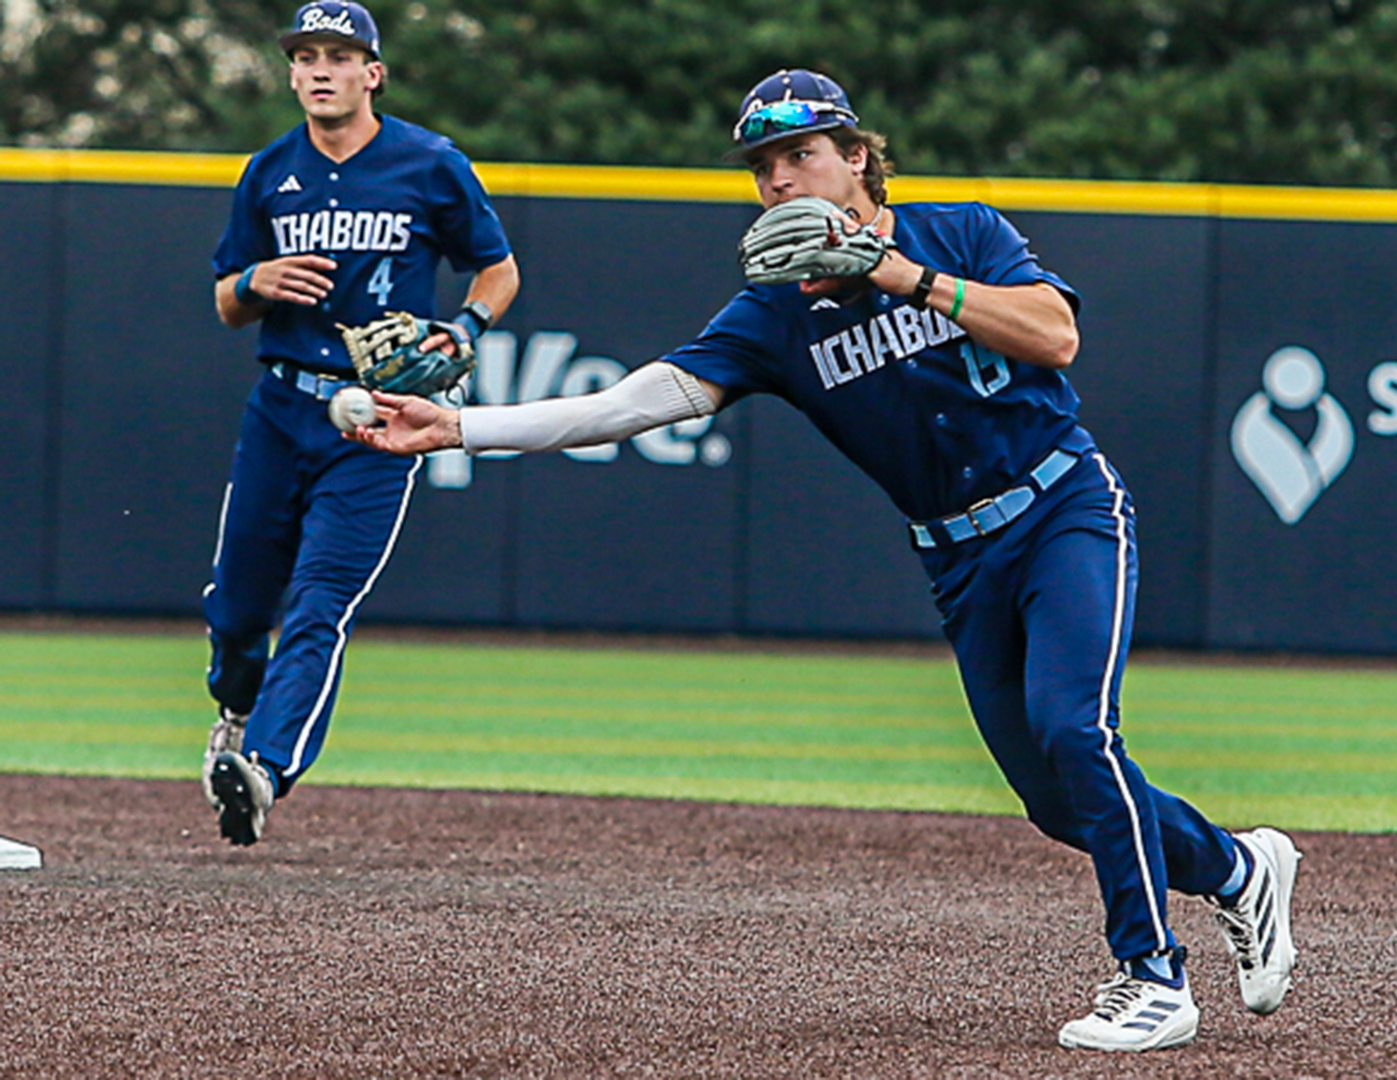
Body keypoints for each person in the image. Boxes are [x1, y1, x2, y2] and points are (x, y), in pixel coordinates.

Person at [348, 68, 1295, 1052]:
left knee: (1074, 727)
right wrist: (458, 426)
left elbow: (1056, 337)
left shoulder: (957, 230)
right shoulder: (772, 318)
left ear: (856, 156)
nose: (780, 179)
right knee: (1057, 800)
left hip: (1062, 508)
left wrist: (899, 274)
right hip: (959, 562)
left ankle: (1151, 977)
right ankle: (1237, 870)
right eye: (763, 166)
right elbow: (621, 406)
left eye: (801, 154)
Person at [201, 0, 519, 847]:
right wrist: (257, 281)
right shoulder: (269, 171)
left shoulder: (429, 163)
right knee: (236, 615)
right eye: (305, 56)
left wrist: (466, 329)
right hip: (281, 406)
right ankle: (236, 708)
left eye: (338, 57)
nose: (318, 70)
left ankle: (264, 769)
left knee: (319, 602)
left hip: (379, 420)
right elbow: (226, 300)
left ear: (372, 73)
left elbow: (497, 268)